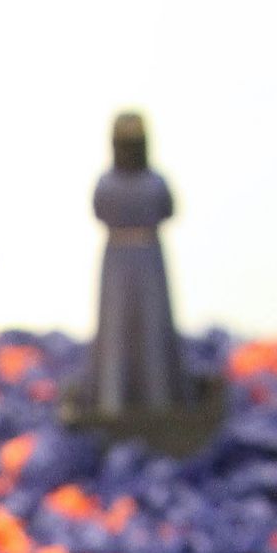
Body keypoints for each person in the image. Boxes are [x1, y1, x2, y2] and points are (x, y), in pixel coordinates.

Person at [87, 112, 190, 421]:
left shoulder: (108, 185)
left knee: (138, 326)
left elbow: (99, 209)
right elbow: (168, 209)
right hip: (143, 257)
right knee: (137, 327)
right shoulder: (153, 183)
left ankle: (123, 401)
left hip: (122, 259)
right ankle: (146, 400)